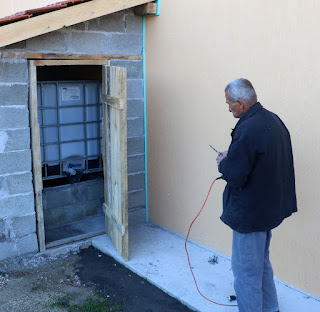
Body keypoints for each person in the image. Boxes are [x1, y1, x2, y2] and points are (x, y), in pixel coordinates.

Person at [216, 78, 297, 312]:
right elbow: (262, 161)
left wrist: (223, 162)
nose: (228, 108)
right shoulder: (273, 120)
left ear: (241, 103)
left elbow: (236, 176)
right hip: (266, 210)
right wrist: (234, 157)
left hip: (250, 215)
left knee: (245, 273)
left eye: (229, 103)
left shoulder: (248, 129)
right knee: (261, 265)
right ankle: (271, 308)